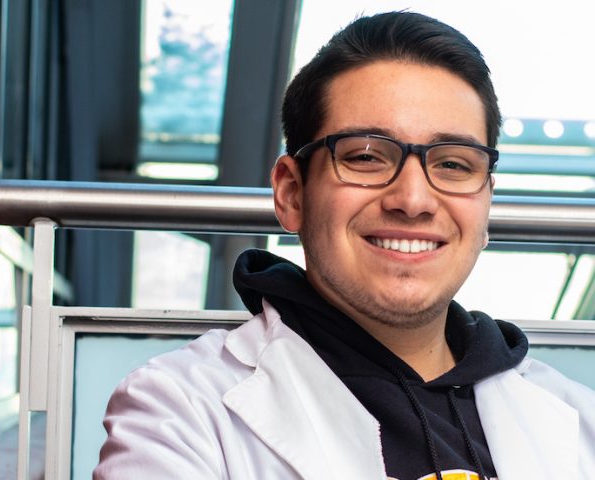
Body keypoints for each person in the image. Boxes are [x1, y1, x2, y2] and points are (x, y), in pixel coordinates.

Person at [94, 11, 595, 480]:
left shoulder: (578, 421)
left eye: (453, 164)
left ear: (485, 205)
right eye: (366, 157)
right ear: (292, 194)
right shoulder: (179, 411)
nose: (414, 199)